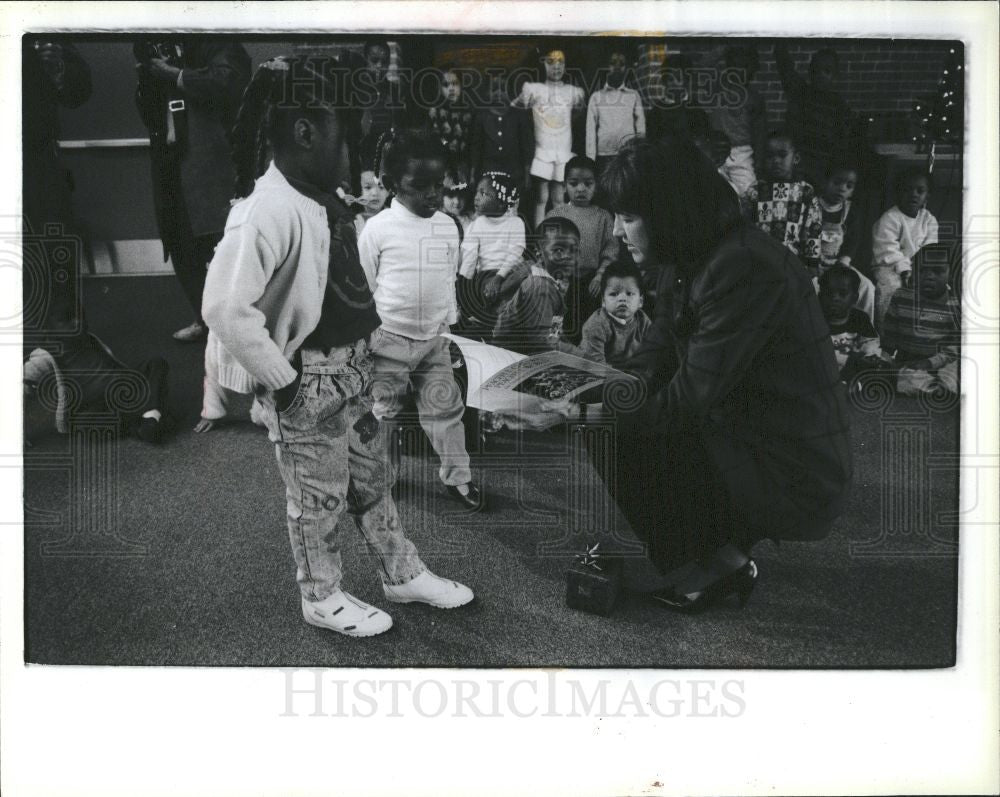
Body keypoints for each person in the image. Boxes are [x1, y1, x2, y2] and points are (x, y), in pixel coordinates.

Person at [203, 57, 474, 639]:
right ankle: (320, 596)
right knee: (318, 498)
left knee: (372, 482)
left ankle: (401, 573)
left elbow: (346, 292)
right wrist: (285, 382)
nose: (355, 158)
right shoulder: (264, 210)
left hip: (353, 373)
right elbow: (224, 307)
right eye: (346, 140)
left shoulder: (322, 198)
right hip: (309, 387)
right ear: (305, 133)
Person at [523, 136, 852, 613]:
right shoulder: (696, 254)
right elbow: (651, 358)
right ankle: (720, 556)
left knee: (609, 427)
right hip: (751, 430)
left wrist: (579, 412)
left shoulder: (743, 266)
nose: (617, 231)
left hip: (794, 465)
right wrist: (574, 386)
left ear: (670, 213)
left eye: (630, 217)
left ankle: (713, 566)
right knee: (610, 413)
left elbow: (682, 401)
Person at [357, 128, 485, 511]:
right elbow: (363, 284)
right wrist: (365, 338)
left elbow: (447, 278)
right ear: (392, 184)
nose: (433, 194)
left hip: (434, 339)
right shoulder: (377, 228)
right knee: (386, 415)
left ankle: (458, 478)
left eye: (438, 184)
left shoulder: (448, 226)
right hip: (387, 340)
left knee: (446, 409)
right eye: (420, 185)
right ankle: (385, 476)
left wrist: (450, 326)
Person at [134, 38, 251, 343]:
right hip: (170, 160)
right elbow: (148, 113)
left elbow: (226, 83)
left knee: (224, 241)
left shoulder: (215, 40)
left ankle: (240, 324)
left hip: (213, 161)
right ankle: (205, 320)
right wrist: (149, 77)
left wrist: (174, 74)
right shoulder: (153, 47)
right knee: (179, 239)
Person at [22, 37, 92, 337]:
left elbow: (79, 91)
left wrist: (58, 69)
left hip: (37, 160)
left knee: (53, 261)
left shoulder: (42, 24)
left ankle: (67, 351)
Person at [546, 155, 618, 344]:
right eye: (574, 183)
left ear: (596, 185)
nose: (580, 189)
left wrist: (600, 276)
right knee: (560, 323)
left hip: (591, 282)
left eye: (588, 183)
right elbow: (547, 249)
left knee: (589, 325)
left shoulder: (603, 217)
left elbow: (610, 251)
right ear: (564, 186)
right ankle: (559, 352)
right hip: (562, 281)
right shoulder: (556, 215)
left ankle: (587, 355)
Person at [513, 46, 586, 228]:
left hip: (562, 148)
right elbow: (516, 108)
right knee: (541, 197)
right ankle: (539, 237)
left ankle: (560, 233)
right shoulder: (534, 90)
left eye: (561, 62)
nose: (556, 66)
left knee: (559, 197)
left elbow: (578, 112)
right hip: (542, 148)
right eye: (551, 62)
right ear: (543, 64)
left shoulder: (572, 92)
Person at [492, 216, 580, 355]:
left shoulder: (550, 281)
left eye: (573, 250)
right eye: (558, 250)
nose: (568, 257)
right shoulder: (540, 287)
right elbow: (541, 340)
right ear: (539, 253)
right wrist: (580, 355)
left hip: (527, 351)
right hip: (510, 354)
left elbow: (552, 331)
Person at [881, 243, 960, 397]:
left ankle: (941, 387)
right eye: (922, 270)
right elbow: (890, 336)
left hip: (940, 362)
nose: (929, 276)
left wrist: (931, 363)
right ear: (913, 271)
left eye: (938, 271)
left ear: (950, 274)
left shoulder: (955, 306)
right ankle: (936, 390)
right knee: (905, 376)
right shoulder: (901, 297)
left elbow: (955, 348)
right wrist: (885, 360)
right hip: (910, 364)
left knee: (959, 370)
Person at [773, 41, 856, 185]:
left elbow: (842, 144)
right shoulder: (800, 92)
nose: (820, 75)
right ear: (809, 72)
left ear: (835, 76)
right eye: (815, 70)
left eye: (827, 71)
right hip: (796, 166)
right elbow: (785, 66)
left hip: (822, 169)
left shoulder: (839, 107)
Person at [457, 171, 527, 329]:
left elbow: (516, 252)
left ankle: (506, 318)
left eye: (483, 193)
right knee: (484, 291)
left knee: (528, 269)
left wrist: (499, 278)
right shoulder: (477, 224)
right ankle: (492, 320)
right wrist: (462, 285)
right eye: (477, 192)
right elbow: (469, 257)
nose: (476, 197)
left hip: (509, 273)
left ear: (501, 203)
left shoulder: (515, 222)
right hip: (486, 276)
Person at [745, 129, 822, 269]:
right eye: (769, 156)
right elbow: (745, 224)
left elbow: (813, 227)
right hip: (761, 259)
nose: (775, 161)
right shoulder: (755, 190)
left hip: (793, 260)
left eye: (782, 155)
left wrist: (811, 263)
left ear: (796, 158)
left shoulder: (805, 192)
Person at [807, 162, 875, 320]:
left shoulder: (850, 211)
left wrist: (844, 261)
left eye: (849, 186)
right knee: (810, 288)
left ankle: (864, 329)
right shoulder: (812, 205)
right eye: (837, 182)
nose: (842, 188)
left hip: (839, 265)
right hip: (813, 265)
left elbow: (853, 239)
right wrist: (810, 263)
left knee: (867, 288)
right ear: (825, 182)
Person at [871, 166, 939, 325]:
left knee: (938, 288)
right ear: (898, 193)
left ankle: (922, 332)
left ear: (927, 195)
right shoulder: (890, 218)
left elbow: (930, 249)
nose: (913, 194)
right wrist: (905, 271)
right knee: (892, 288)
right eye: (907, 190)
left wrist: (919, 271)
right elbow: (887, 250)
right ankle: (886, 332)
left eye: (920, 191)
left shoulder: (929, 220)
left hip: (918, 269)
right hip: (888, 267)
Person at [707, 45, 766, 197]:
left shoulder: (755, 98)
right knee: (713, 191)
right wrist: (727, 47)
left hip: (742, 153)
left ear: (754, 69)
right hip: (716, 149)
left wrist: (759, 162)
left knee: (748, 193)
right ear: (728, 66)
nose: (740, 71)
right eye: (736, 66)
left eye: (746, 66)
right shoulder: (717, 87)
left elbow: (760, 133)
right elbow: (705, 64)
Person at [569, 260, 652, 368]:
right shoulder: (596, 325)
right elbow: (595, 366)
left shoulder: (643, 321)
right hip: (593, 369)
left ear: (640, 301)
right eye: (614, 294)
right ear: (603, 301)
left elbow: (651, 354)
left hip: (628, 371)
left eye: (629, 293)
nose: (622, 299)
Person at [469, 70, 534, 197]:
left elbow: (526, 146)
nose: (498, 94)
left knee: (512, 201)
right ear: (487, 91)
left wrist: (527, 174)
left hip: (514, 172)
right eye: (494, 89)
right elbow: (475, 147)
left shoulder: (519, 115)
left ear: (510, 91)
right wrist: (472, 174)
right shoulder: (482, 116)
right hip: (488, 171)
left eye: (503, 89)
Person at [585, 48, 645, 176]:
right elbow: (590, 131)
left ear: (627, 67)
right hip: (604, 156)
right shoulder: (596, 97)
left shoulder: (633, 95)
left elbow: (640, 128)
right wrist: (591, 159)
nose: (617, 67)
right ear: (606, 67)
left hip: (628, 155)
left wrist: (639, 153)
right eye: (613, 63)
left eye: (622, 64)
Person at [817, 266, 883, 378]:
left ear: (854, 298)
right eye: (828, 293)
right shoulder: (815, 320)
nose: (835, 298)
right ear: (819, 296)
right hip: (826, 372)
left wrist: (869, 355)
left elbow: (870, 342)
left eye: (842, 294)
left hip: (854, 369)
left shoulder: (860, 318)